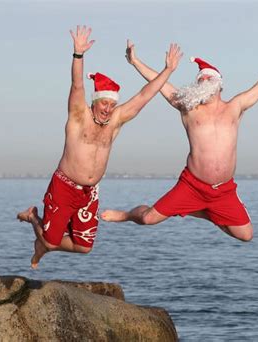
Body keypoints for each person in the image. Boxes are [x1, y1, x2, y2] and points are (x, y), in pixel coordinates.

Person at [101, 41, 258, 241]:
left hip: (223, 190)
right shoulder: (188, 107)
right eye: (200, 79)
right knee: (147, 218)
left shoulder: (234, 107)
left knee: (246, 235)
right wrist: (135, 61)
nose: (203, 80)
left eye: (208, 77)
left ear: (218, 84)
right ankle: (126, 215)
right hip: (192, 185)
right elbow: (159, 84)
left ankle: (201, 211)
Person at [17, 26, 183, 268]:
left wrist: (168, 70)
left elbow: (144, 96)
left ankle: (43, 241)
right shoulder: (78, 116)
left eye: (111, 104)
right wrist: (78, 55)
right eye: (103, 103)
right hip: (64, 186)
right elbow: (76, 86)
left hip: (89, 191)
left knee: (83, 247)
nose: (107, 108)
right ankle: (34, 218)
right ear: (95, 102)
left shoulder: (115, 121)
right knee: (52, 243)